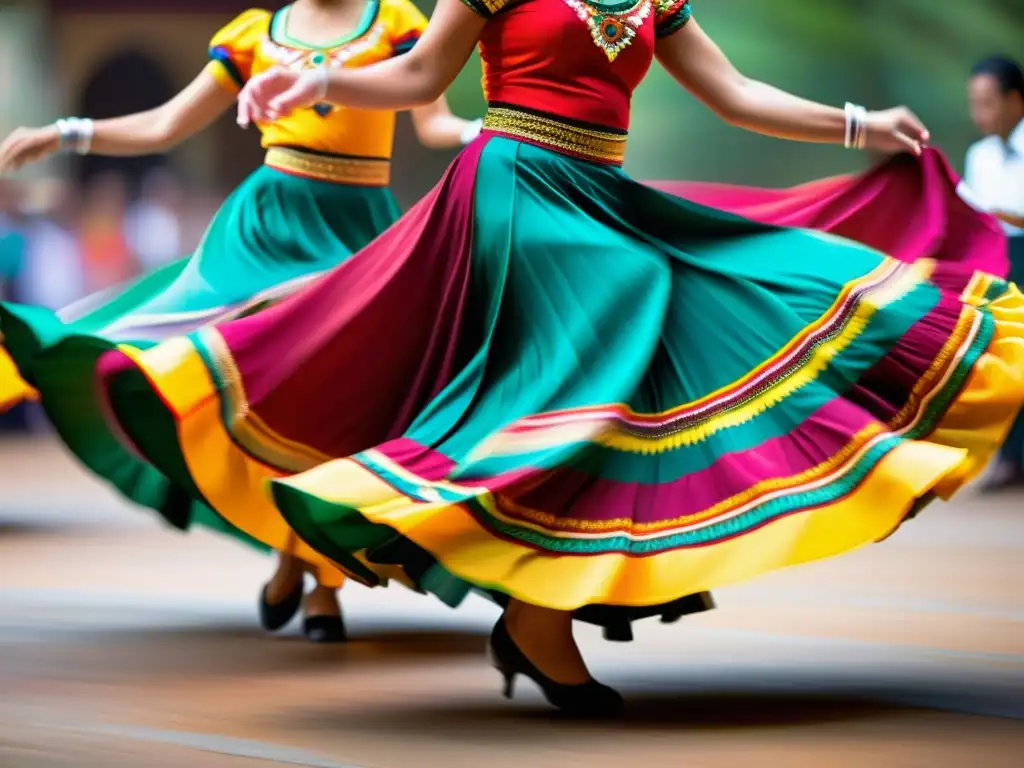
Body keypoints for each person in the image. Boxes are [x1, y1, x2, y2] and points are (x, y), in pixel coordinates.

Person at [99, 0, 1024, 714]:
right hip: (516, 193)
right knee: (632, 297)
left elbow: (738, 97)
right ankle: (523, 597)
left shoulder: (652, 0)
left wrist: (862, 124)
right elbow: (420, 72)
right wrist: (320, 84)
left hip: (601, 193)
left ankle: (541, 613)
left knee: (684, 330)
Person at [0, 0, 482, 643]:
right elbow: (168, 125)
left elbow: (434, 123)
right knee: (186, 357)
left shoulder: (395, 22)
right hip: (263, 232)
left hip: (352, 234)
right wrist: (65, 134)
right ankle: (314, 577)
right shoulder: (258, 32)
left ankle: (302, 560)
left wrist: (496, 133)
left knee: (340, 395)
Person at [961, 55, 1024, 490]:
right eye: (974, 103)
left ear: (1014, 100)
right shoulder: (978, 155)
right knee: (1005, 354)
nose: (980, 113)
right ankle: (1011, 457)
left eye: (988, 101)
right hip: (999, 260)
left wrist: (1000, 216)